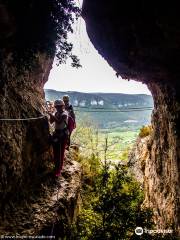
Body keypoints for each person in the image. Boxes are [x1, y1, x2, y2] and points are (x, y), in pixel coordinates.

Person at [48, 99, 69, 177]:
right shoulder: (56, 113)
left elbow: (59, 122)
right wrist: (51, 115)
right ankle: (57, 167)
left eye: (59, 106)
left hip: (63, 134)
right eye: (57, 106)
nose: (58, 108)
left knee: (60, 152)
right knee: (56, 151)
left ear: (62, 106)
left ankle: (59, 170)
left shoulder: (65, 114)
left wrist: (51, 115)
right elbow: (51, 122)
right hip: (57, 133)